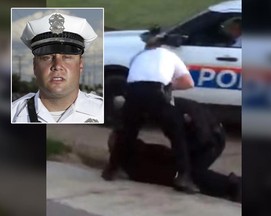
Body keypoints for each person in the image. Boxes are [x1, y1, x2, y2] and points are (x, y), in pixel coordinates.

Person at [102, 31, 199, 194]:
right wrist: (169, 86)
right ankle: (183, 176)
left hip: (132, 93)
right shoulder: (170, 55)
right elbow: (188, 83)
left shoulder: (138, 56)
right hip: (156, 93)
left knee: (127, 133)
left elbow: (134, 77)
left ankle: (111, 170)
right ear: (164, 46)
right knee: (177, 134)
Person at [106, 98, 242, 202]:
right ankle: (233, 186)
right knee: (191, 174)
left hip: (209, 140)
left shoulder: (167, 114)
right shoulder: (162, 102)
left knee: (193, 174)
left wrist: (183, 169)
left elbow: (191, 141)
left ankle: (235, 187)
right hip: (208, 135)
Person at [11, 12, 104, 123]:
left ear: (80, 64)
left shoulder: (103, 112)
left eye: (67, 57)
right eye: (47, 57)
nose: (57, 66)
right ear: (35, 66)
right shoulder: (13, 114)